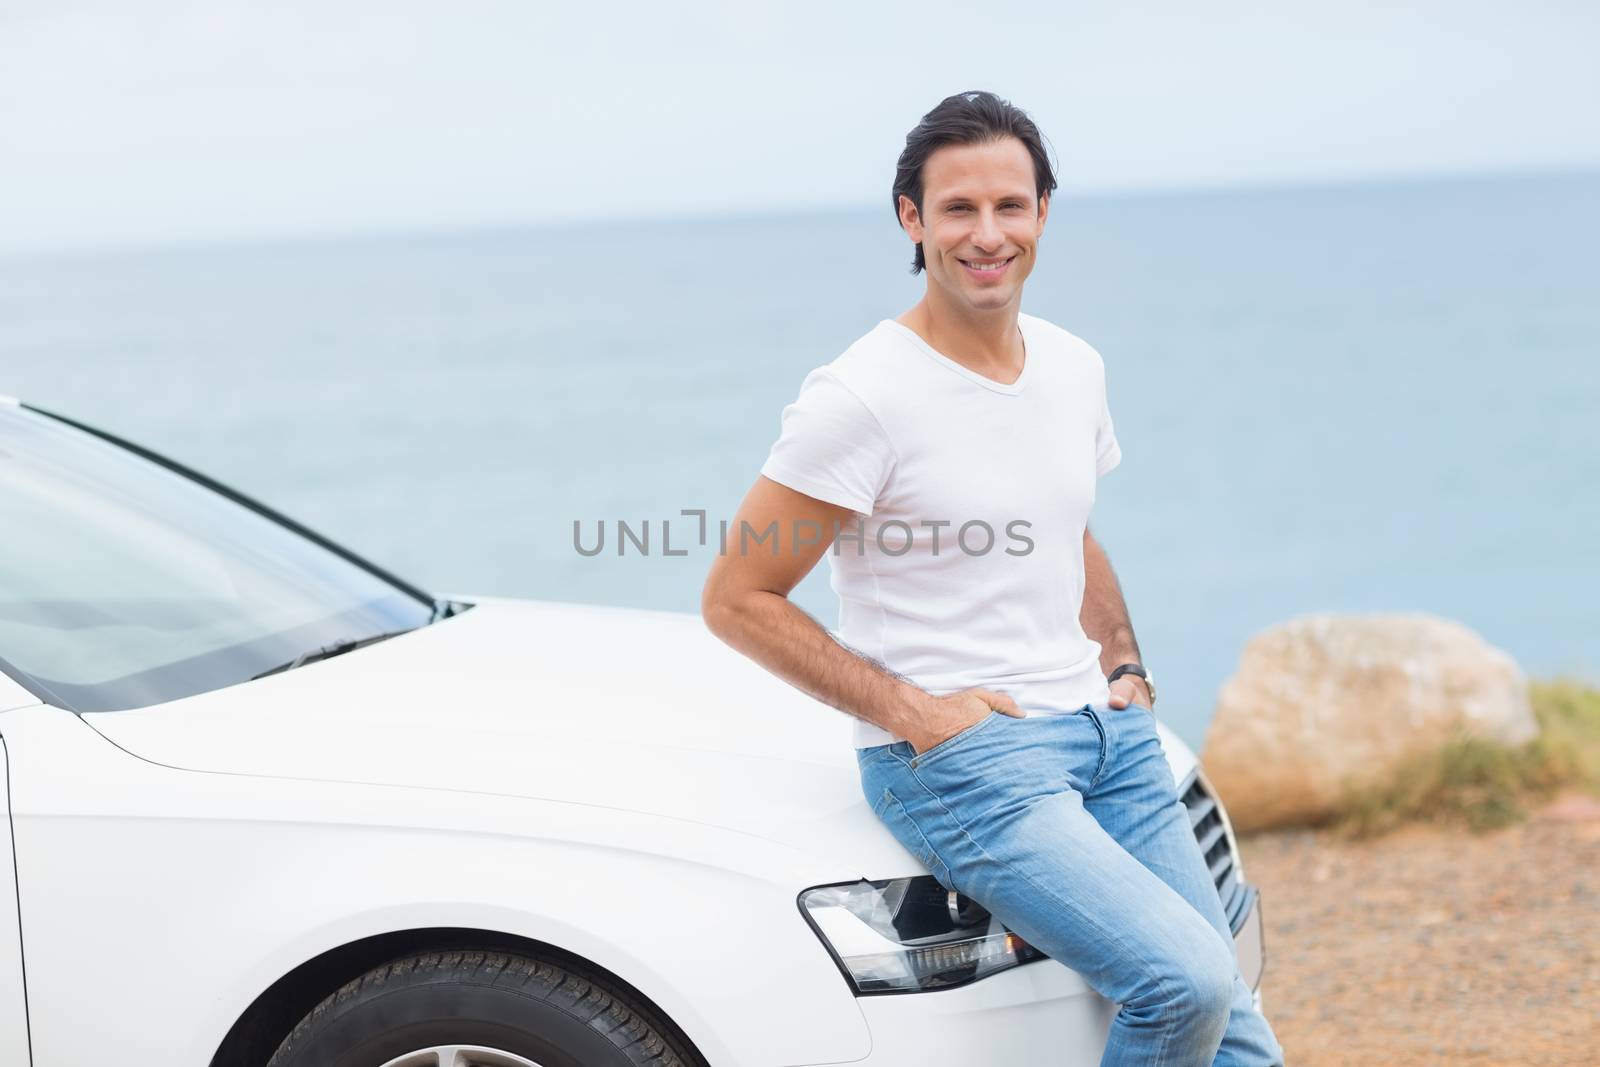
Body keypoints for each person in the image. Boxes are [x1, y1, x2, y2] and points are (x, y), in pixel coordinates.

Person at [700, 90, 1284, 1066]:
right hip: (968, 764)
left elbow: (1070, 532)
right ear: (911, 218)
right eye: (958, 208)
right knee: (1184, 981)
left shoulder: (1070, 365)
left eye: (1009, 206)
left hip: (1109, 736)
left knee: (1238, 1035)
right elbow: (737, 598)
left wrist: (1127, 673)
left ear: (1043, 214)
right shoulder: (861, 397)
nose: (986, 233)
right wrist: (915, 712)